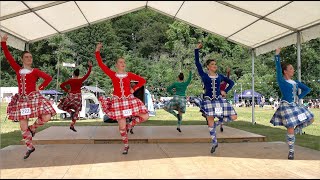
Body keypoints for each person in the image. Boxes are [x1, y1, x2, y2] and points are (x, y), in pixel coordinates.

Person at [1, 34, 56, 159]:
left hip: (33, 98)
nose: (29, 58)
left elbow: (48, 78)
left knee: (47, 116)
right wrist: (3, 44)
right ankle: (30, 147)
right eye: (26, 57)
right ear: (22, 59)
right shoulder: (18, 70)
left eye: (30, 57)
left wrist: (40, 87)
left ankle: (33, 127)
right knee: (22, 126)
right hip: (22, 100)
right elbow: (9, 58)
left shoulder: (35, 71)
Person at [95, 42, 149, 154]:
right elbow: (101, 65)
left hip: (129, 100)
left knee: (145, 115)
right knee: (122, 127)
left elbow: (142, 81)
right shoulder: (112, 74)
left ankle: (131, 124)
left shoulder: (129, 75)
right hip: (118, 102)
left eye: (124, 62)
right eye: (120, 62)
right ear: (116, 65)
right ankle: (126, 146)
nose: (123, 63)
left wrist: (134, 89)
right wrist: (97, 51)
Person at [270, 47, 314, 160]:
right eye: (291, 68)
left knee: (311, 118)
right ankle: (291, 151)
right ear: (285, 71)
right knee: (290, 127)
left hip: (295, 106)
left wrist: (298, 97)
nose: (293, 70)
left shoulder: (295, 82)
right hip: (286, 106)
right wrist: (277, 55)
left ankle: (296, 130)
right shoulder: (282, 80)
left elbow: (307, 89)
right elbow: (277, 69)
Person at [194, 43, 237, 153]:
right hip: (208, 100)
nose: (215, 66)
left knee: (234, 116)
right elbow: (197, 63)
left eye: (215, 64)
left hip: (219, 100)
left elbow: (231, 82)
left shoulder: (220, 76)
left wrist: (225, 91)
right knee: (210, 120)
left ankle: (218, 124)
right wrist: (196, 50)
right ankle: (214, 142)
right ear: (208, 66)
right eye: (212, 64)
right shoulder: (204, 75)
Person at [58, 61, 92, 132]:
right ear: (78, 74)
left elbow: (61, 85)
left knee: (62, 106)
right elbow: (87, 75)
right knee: (77, 111)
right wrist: (90, 67)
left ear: (73, 74)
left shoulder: (70, 80)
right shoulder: (80, 80)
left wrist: (67, 90)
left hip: (71, 96)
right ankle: (72, 124)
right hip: (78, 97)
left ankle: (70, 112)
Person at [218, 67, 231, 132]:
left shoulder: (217, 85)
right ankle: (221, 124)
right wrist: (228, 73)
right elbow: (228, 79)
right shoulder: (224, 84)